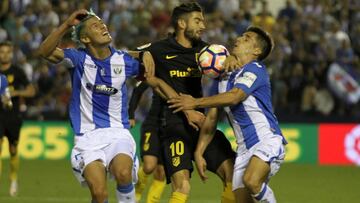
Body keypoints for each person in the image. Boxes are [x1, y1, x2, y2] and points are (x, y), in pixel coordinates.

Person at [38, 9, 156, 203]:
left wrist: (147, 54)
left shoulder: (124, 60)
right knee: (99, 193)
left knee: (124, 173)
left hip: (118, 132)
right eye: (95, 26)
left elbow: (155, 63)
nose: (103, 27)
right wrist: (67, 24)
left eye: (102, 24)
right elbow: (44, 52)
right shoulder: (78, 59)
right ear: (85, 38)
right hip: (87, 137)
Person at [168, 26, 287, 203]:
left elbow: (235, 97)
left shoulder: (256, 69)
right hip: (244, 150)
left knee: (251, 181)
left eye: (246, 38)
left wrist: (195, 102)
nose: (239, 39)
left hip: (267, 139)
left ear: (257, 50)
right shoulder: (223, 77)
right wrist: (199, 153)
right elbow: (211, 119)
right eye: (241, 35)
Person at [137, 2, 237, 203]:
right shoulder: (159, 49)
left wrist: (233, 58)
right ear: (182, 23)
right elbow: (132, 54)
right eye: (198, 20)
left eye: (203, 21)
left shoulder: (206, 51)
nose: (203, 26)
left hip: (201, 124)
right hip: (174, 127)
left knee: (233, 175)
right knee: (182, 185)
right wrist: (143, 53)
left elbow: (228, 60)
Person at [0, 41, 35, 197]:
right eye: (2, 52)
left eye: (8, 52)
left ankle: (13, 179)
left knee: (13, 150)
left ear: (11, 54)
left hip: (13, 117)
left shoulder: (18, 72)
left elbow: (31, 91)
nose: (5, 54)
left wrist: (15, 93)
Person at [128, 82, 166, 203]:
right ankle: (136, 194)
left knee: (161, 172)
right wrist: (131, 114)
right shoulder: (158, 70)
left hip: (171, 127)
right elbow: (138, 89)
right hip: (153, 124)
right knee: (149, 166)